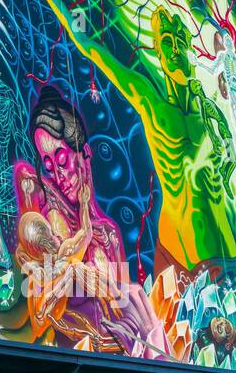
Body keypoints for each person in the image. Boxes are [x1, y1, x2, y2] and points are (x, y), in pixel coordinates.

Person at [13, 85, 168, 357]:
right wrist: (72, 272)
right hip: (71, 355)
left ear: (84, 152)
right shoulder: (46, 207)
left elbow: (120, 303)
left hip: (118, 353)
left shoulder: (109, 235)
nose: (59, 174)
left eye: (62, 159)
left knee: (134, 297)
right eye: (48, 165)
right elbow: (40, 312)